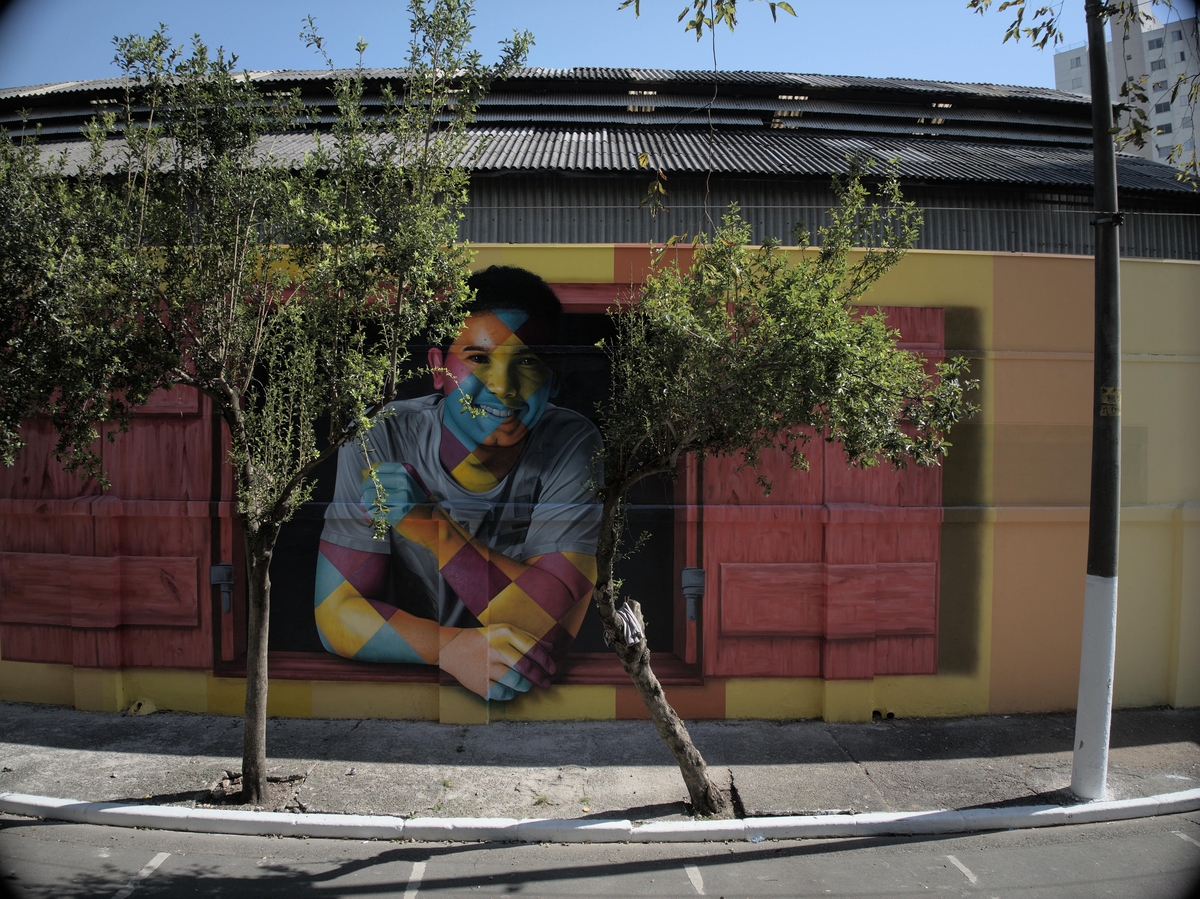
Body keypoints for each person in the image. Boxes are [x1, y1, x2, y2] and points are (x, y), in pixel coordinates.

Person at [314, 266, 601, 701]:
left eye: (527, 361)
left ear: (554, 376)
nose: (503, 387)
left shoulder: (572, 444)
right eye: (478, 358)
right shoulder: (383, 437)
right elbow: (334, 614)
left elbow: (547, 625)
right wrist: (449, 648)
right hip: (417, 695)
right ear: (439, 368)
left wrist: (435, 529)